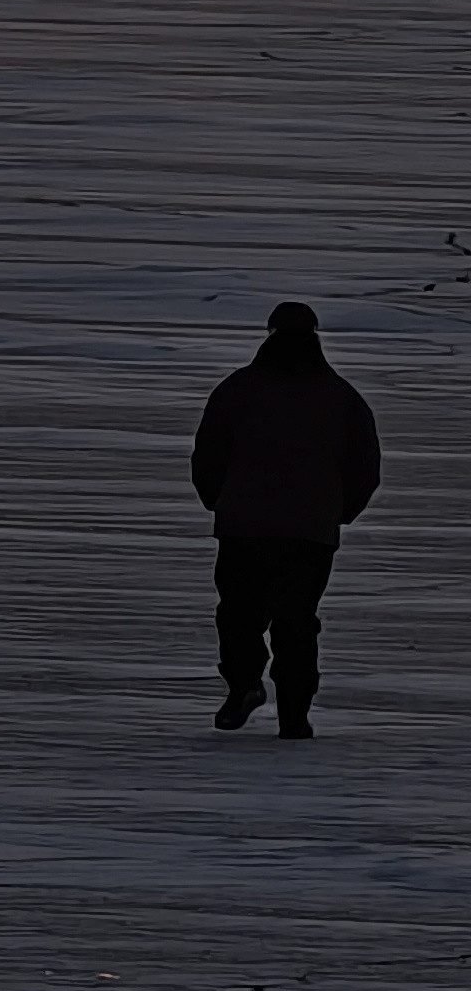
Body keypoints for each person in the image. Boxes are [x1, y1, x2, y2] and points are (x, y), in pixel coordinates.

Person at [192, 300, 379, 738]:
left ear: (270, 332)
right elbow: (365, 469)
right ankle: (294, 715)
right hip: (309, 533)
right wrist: (338, 513)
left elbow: (208, 458)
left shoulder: (236, 390)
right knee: (296, 621)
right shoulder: (343, 399)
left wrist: (218, 502)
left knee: (239, 615)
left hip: (245, 528)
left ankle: (244, 685)